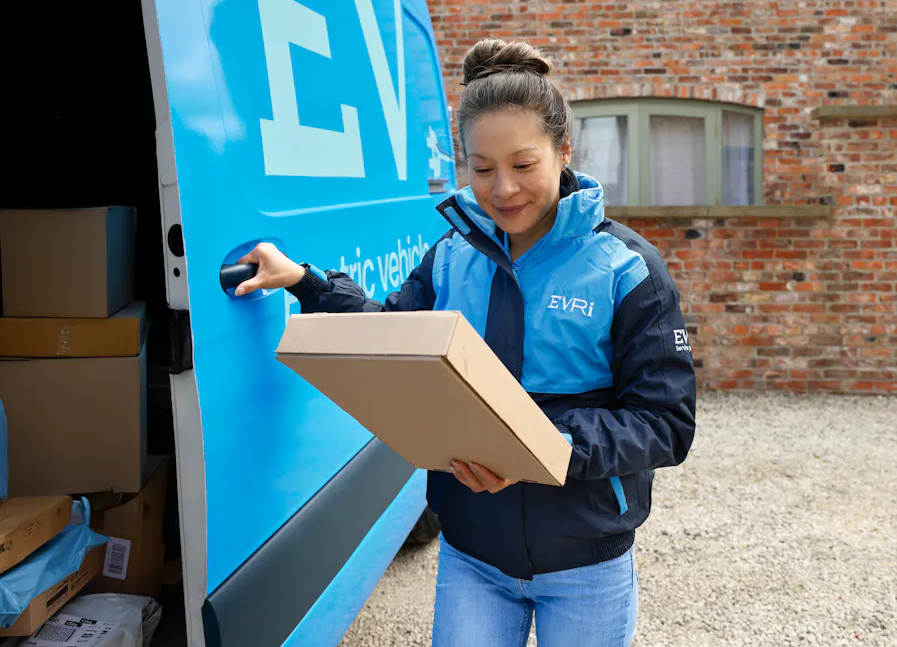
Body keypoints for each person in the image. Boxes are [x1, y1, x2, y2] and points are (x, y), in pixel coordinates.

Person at [236, 38, 697, 647]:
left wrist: (542, 447)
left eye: (523, 164)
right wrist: (305, 280)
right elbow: (392, 336)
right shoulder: (450, 258)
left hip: (587, 560)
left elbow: (666, 423)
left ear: (563, 152)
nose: (502, 188)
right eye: (481, 169)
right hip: (471, 556)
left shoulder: (628, 269)